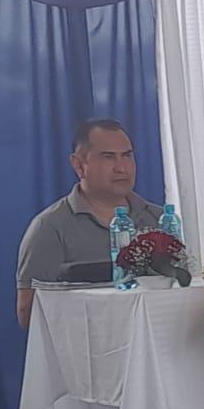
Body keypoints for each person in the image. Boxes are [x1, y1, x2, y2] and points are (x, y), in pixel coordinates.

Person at [15, 119, 163, 328]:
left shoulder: (158, 219)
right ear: (79, 165)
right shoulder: (50, 227)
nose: (121, 168)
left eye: (127, 156)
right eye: (108, 157)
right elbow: (28, 313)